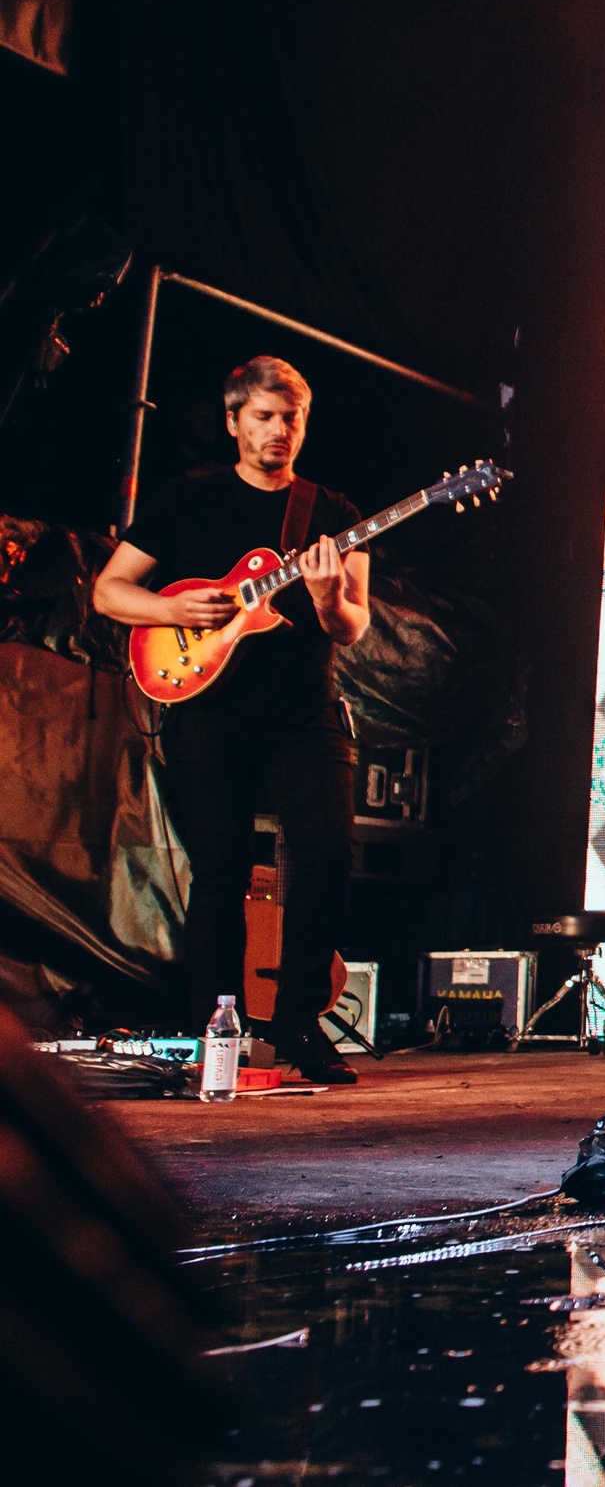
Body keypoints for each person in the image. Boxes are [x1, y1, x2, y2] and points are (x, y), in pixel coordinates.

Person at [93, 357, 367, 1085]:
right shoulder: (188, 500)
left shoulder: (331, 513)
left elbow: (352, 627)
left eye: (291, 418)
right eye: (264, 416)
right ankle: (212, 1029)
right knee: (218, 869)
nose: (279, 430)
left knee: (327, 854)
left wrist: (328, 596)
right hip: (211, 709)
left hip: (303, 710)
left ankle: (299, 1024)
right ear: (233, 420)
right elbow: (109, 591)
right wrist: (169, 608)